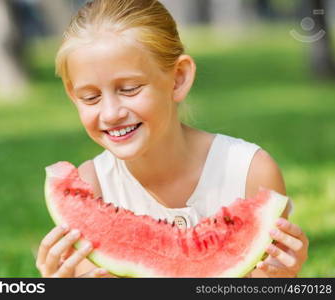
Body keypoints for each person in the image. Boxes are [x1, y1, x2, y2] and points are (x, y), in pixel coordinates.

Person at [35, 0, 309, 278]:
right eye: (90, 97)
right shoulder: (92, 185)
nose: (110, 113)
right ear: (73, 96)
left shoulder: (250, 171)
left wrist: (277, 282)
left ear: (178, 79)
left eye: (129, 89)